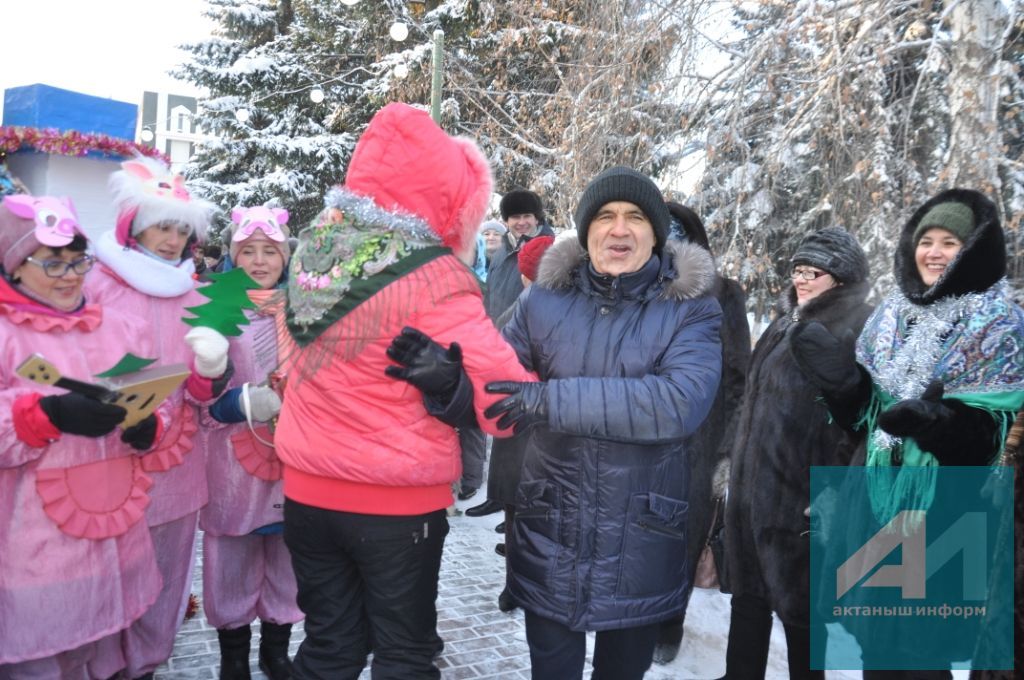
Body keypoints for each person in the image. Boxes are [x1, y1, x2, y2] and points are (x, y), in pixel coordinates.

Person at [273, 102, 536, 680]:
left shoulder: (315, 259)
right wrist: (457, 389)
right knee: (404, 655)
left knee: (329, 646)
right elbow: (510, 405)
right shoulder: (436, 279)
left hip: (307, 497)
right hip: (394, 509)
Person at [477, 165, 723, 678]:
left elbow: (677, 401)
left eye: (635, 217)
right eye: (605, 216)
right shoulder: (543, 300)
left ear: (655, 233)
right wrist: (445, 381)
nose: (619, 229)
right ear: (586, 230)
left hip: (641, 534)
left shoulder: (690, 309)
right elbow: (494, 378)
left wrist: (546, 402)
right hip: (552, 526)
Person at [790, 189, 1024, 677]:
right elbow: (865, 420)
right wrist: (844, 387)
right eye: (926, 240)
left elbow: (995, 436)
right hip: (876, 508)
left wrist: (939, 424)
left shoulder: (998, 324)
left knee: (919, 658)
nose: (934, 252)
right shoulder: (890, 316)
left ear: (974, 251)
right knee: (876, 652)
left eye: (950, 242)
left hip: (945, 517)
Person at [0, 195, 165, 678]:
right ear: (14, 265)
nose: (71, 275)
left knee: (96, 648)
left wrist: (150, 423)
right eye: (52, 263)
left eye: (78, 262)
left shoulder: (120, 327)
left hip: (114, 528)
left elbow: (161, 397)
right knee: (41, 654)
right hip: (30, 540)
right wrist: (45, 413)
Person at [85, 156, 221, 680]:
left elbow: (204, 392)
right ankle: (101, 666)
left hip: (178, 462)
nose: (171, 239)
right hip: (111, 458)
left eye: (181, 229)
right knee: (109, 572)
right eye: (162, 225)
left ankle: (146, 663)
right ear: (133, 223)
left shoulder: (197, 292)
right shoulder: (95, 284)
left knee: (166, 571)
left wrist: (212, 372)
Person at [719, 226, 871, 679]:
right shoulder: (785, 322)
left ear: (841, 279)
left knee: (803, 616)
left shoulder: (856, 329)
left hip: (802, 503)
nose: (801, 279)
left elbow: (862, 419)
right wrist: (732, 463)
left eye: (814, 272)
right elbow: (751, 397)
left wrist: (835, 491)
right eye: (798, 270)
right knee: (748, 601)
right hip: (751, 493)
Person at [197, 206, 302, 680]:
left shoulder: (304, 308)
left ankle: (276, 649)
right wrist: (234, 402)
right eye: (249, 251)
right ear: (234, 256)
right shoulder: (214, 306)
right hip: (231, 459)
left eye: (270, 251)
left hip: (294, 454)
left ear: (285, 256)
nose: (260, 261)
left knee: (287, 556)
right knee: (232, 557)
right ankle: (234, 655)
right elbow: (196, 390)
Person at [652, 201, 751, 665]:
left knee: (683, 535)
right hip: (643, 432)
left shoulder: (724, 295)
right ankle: (635, 614)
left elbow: (738, 378)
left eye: (677, 237)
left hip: (700, 438)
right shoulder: (638, 287)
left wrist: (728, 450)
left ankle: (670, 622)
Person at [466, 190, 555, 519]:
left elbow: (534, 297)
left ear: (537, 218)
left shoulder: (547, 248)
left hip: (529, 345)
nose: (520, 222)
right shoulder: (505, 249)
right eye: (514, 217)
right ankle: (499, 496)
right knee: (504, 426)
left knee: (526, 434)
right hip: (500, 340)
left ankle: (519, 507)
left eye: (526, 216)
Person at [487, 233, 556, 613]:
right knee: (539, 516)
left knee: (517, 514)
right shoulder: (575, 313)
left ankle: (515, 586)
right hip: (546, 433)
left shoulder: (513, 314)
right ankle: (529, 586)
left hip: (519, 432)